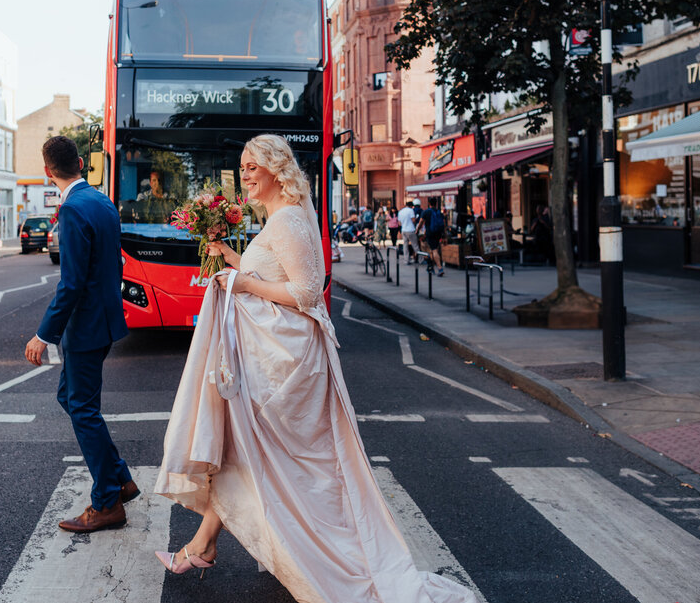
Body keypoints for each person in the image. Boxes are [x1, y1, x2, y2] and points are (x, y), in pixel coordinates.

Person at [154, 135, 476, 603]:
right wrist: (231, 259)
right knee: (253, 453)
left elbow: (306, 292)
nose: (244, 175)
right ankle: (204, 545)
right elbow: (277, 275)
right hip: (271, 361)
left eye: (252, 167)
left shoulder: (287, 219)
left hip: (287, 369)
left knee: (256, 453)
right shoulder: (279, 218)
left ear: (276, 169)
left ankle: (210, 547)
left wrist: (242, 282)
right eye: (242, 167)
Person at [24, 136, 136, 532]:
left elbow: (71, 284)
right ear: (81, 164)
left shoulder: (72, 209)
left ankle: (107, 501)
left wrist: (43, 335)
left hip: (85, 327)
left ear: (48, 171)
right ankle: (120, 476)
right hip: (104, 320)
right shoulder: (102, 202)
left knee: (83, 410)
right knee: (69, 398)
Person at [423, 199, 447, 276]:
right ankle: (431, 267)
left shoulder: (426, 212)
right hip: (438, 233)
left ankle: (440, 268)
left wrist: (417, 230)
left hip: (430, 233)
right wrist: (444, 235)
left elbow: (421, 222)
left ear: (429, 203)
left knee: (434, 250)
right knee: (433, 250)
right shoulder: (439, 212)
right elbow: (444, 224)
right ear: (436, 203)